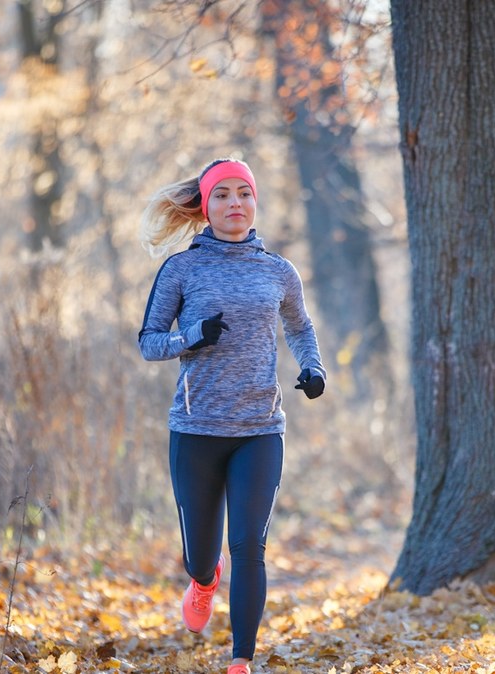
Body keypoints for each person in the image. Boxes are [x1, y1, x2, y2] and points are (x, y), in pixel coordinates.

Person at [137, 158, 327, 674]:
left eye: (244, 192)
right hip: (196, 431)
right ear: (205, 206)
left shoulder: (278, 270)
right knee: (202, 555)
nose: (234, 203)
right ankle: (203, 581)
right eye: (222, 194)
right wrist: (191, 337)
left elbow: (300, 327)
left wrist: (313, 368)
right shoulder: (182, 269)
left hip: (259, 431)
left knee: (249, 544)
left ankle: (241, 661)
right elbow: (149, 343)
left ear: (255, 202)